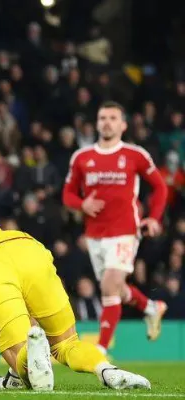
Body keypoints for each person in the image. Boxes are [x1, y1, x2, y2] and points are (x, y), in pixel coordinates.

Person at [0, 215, 150, 391]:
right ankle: (106, 369)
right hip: (26, 246)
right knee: (67, 344)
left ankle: (30, 356)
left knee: (24, 363)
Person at [62, 101, 168, 354]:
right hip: (94, 235)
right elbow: (67, 194)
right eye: (102, 118)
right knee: (116, 289)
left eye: (112, 118)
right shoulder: (82, 157)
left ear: (123, 125)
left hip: (126, 231)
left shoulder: (135, 154)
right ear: (97, 123)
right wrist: (82, 204)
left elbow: (160, 187)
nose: (107, 123)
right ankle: (152, 307)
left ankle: (100, 350)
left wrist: (154, 218)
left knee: (109, 286)